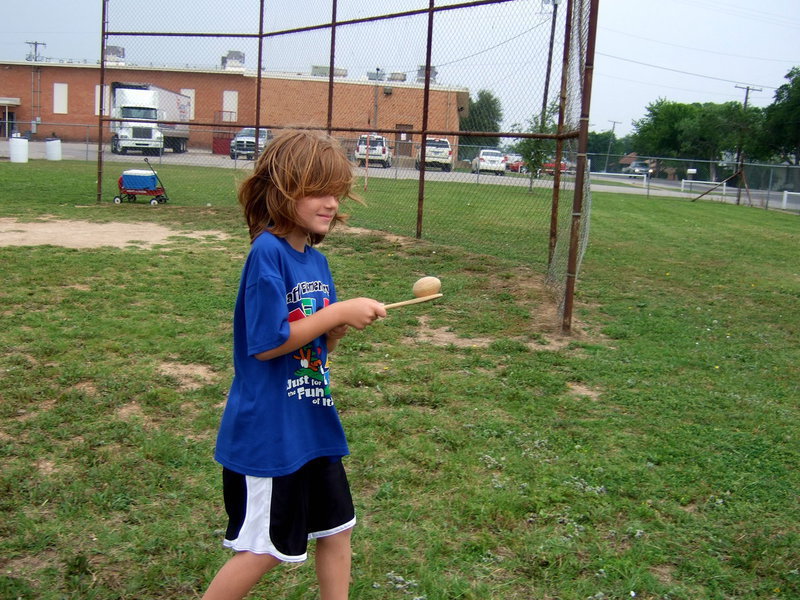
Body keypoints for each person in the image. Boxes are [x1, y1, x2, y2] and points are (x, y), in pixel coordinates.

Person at [202, 130, 386, 600]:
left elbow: (310, 347)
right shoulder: (268, 252)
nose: (331, 203)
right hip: (269, 434)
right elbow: (266, 344)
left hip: (311, 425)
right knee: (262, 550)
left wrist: (333, 333)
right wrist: (336, 314)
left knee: (338, 528)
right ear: (284, 190)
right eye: (318, 191)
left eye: (337, 192)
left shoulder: (317, 262)